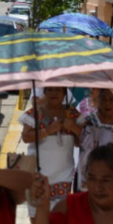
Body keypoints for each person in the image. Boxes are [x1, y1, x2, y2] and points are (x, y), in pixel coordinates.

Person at [22, 87, 83, 215]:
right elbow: (26, 137)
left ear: (64, 93)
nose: (53, 93)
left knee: (60, 217)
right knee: (38, 216)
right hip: (39, 174)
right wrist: (48, 130)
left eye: (58, 90)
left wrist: (72, 127)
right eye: (49, 90)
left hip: (64, 174)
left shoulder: (72, 114)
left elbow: (83, 139)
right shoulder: (35, 113)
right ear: (44, 93)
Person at [77, 87, 113, 192]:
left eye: (111, 100)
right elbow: (77, 140)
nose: (107, 103)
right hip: (88, 173)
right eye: (104, 99)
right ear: (99, 102)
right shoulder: (89, 120)